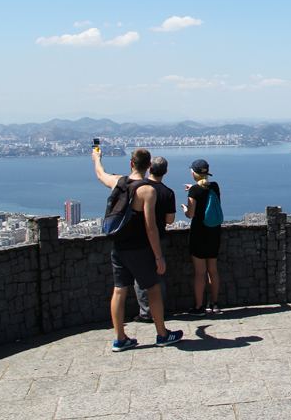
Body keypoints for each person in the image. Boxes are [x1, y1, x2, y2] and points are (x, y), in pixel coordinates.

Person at [93, 147, 183, 350]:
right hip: (140, 248)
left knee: (119, 290)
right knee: (153, 289)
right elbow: (150, 227)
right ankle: (162, 334)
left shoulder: (119, 182)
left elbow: (100, 174)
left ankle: (120, 338)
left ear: (131, 164)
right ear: (149, 166)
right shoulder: (147, 190)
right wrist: (159, 257)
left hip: (118, 247)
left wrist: (96, 158)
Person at [132, 156, 176, 323]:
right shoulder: (168, 192)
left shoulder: (138, 187)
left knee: (140, 276)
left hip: (139, 237)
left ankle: (145, 312)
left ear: (150, 168)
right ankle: (159, 310)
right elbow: (170, 220)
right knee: (159, 274)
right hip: (160, 237)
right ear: (165, 172)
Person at [182, 158, 222, 315]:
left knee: (200, 272)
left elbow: (190, 214)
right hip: (214, 232)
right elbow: (206, 192)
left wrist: (185, 208)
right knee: (213, 270)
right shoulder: (215, 187)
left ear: (194, 173)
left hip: (199, 233)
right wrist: (193, 188)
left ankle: (199, 307)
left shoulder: (194, 191)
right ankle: (215, 304)